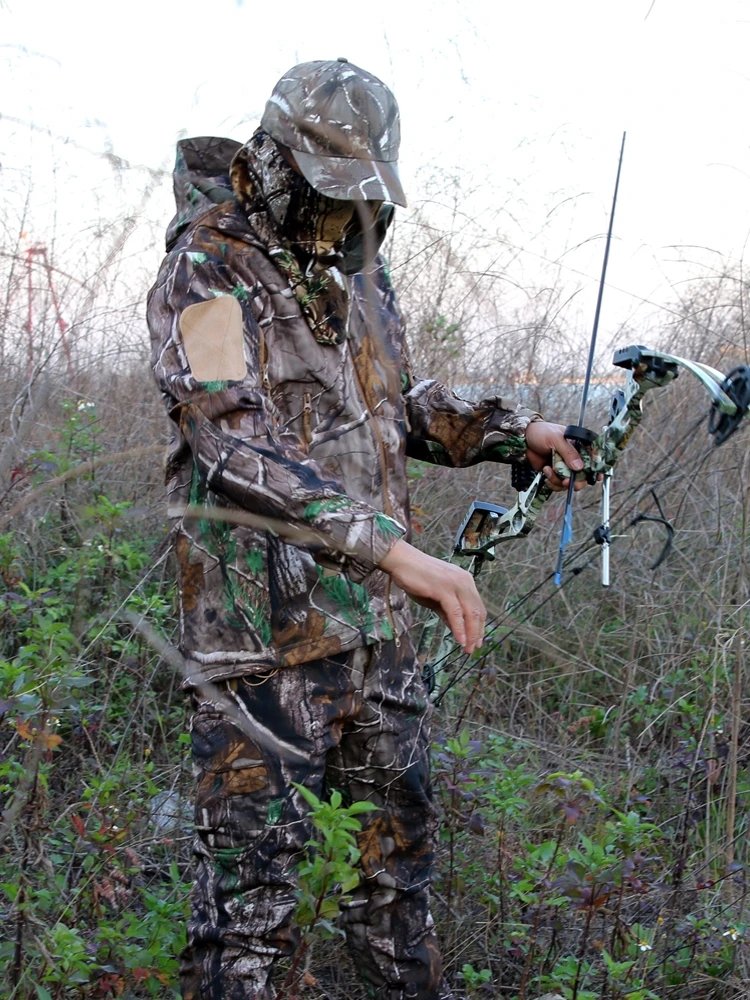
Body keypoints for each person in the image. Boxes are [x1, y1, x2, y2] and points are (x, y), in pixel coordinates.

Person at [147, 58, 591, 1000]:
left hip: (374, 641)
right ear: (276, 158)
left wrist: (518, 431)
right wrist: (398, 551)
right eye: (324, 188)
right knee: (249, 924)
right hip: (260, 657)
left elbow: (396, 404)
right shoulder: (206, 270)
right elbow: (233, 446)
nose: (340, 212)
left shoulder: (353, 268)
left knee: (397, 889)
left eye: (356, 193)